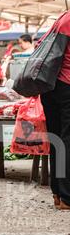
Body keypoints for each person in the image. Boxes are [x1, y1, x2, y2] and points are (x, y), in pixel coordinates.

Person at [39, 13, 70, 210]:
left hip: (51, 85)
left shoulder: (62, 18)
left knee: (57, 139)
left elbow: (41, 45)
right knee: (67, 139)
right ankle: (67, 197)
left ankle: (58, 194)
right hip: (67, 84)